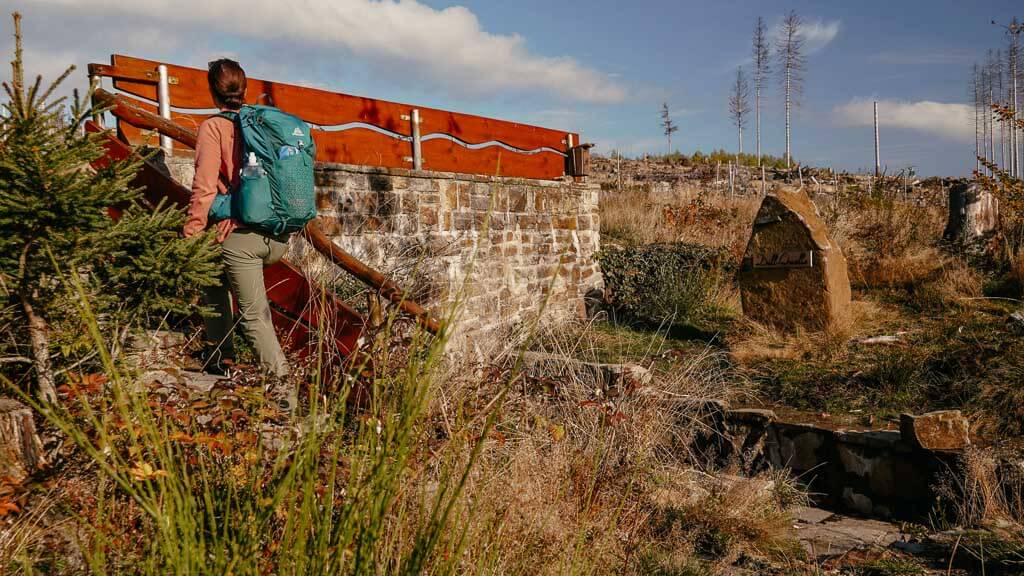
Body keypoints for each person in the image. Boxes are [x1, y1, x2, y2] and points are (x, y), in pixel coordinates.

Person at [183, 59, 292, 400]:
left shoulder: (213, 128)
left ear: (212, 90)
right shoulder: (264, 123)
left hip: (243, 239)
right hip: (276, 234)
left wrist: (191, 233)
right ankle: (220, 358)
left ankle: (286, 398)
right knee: (210, 271)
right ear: (244, 89)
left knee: (253, 319)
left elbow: (203, 187)